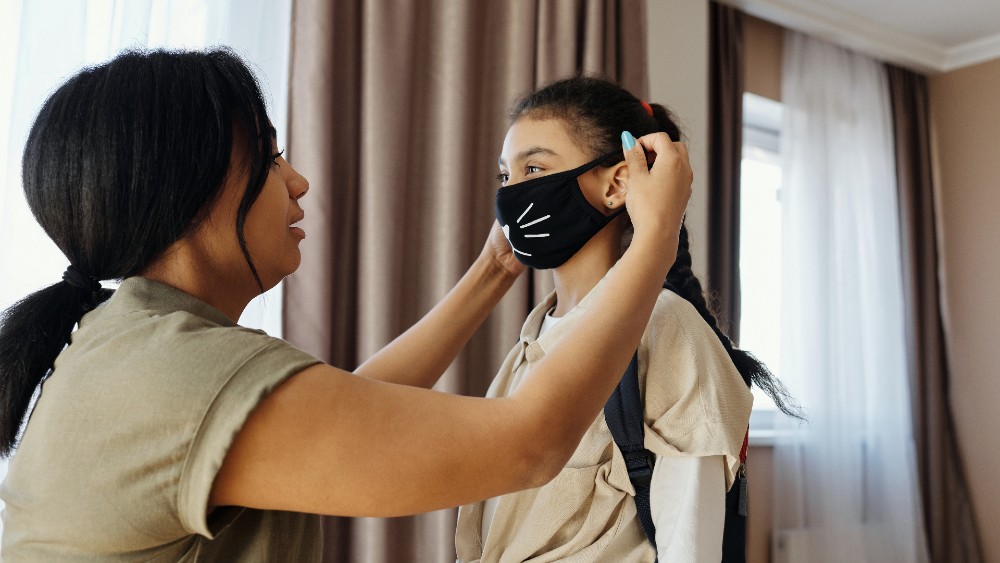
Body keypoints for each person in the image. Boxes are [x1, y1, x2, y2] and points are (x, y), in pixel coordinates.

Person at [0, 49, 692, 561]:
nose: (298, 182)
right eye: (270, 160)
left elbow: (353, 408)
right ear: (190, 189)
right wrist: (654, 238)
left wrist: (490, 269)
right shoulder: (175, 376)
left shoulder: (129, 347)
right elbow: (530, 443)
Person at [454, 77, 800, 562]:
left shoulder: (667, 327)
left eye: (534, 167)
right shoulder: (529, 342)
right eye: (505, 176)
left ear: (617, 183)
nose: (512, 195)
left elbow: (689, 543)